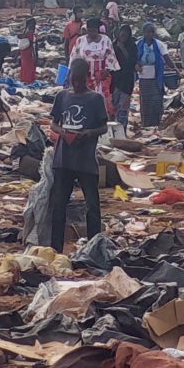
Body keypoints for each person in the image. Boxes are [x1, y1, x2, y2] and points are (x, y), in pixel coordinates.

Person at [48, 57, 108, 252]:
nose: (77, 84)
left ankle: (93, 248)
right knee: (58, 206)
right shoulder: (62, 97)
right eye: (74, 80)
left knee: (92, 206)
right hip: (63, 158)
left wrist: (89, 133)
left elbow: (104, 127)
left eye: (81, 80)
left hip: (85, 160)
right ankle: (56, 248)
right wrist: (63, 132)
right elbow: (54, 123)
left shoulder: (95, 99)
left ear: (88, 77)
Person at [69, 18, 120, 110]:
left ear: (98, 30)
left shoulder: (105, 40)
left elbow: (110, 56)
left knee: (102, 97)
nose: (92, 33)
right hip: (84, 75)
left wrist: (107, 70)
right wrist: (74, 71)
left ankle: (103, 118)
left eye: (94, 30)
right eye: (90, 30)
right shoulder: (81, 40)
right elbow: (74, 56)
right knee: (84, 97)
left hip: (101, 74)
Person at [137, 23, 168, 129]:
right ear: (144, 32)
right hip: (143, 78)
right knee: (145, 101)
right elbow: (133, 59)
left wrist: (175, 69)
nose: (149, 34)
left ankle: (156, 123)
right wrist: (136, 65)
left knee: (156, 101)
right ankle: (146, 123)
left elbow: (166, 57)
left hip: (156, 78)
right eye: (147, 32)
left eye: (151, 31)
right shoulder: (139, 44)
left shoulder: (159, 45)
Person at [112, 25, 137, 134]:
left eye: (125, 35)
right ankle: (112, 130)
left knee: (123, 107)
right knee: (113, 106)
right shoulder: (114, 45)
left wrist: (122, 48)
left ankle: (122, 131)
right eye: (121, 35)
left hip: (127, 81)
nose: (122, 37)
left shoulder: (132, 46)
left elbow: (131, 61)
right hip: (115, 80)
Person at [18, 17, 38, 84]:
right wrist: (35, 55)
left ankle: (23, 79)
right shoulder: (31, 34)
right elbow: (34, 45)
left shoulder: (25, 32)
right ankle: (29, 80)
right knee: (30, 66)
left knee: (24, 65)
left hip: (24, 52)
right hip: (29, 52)